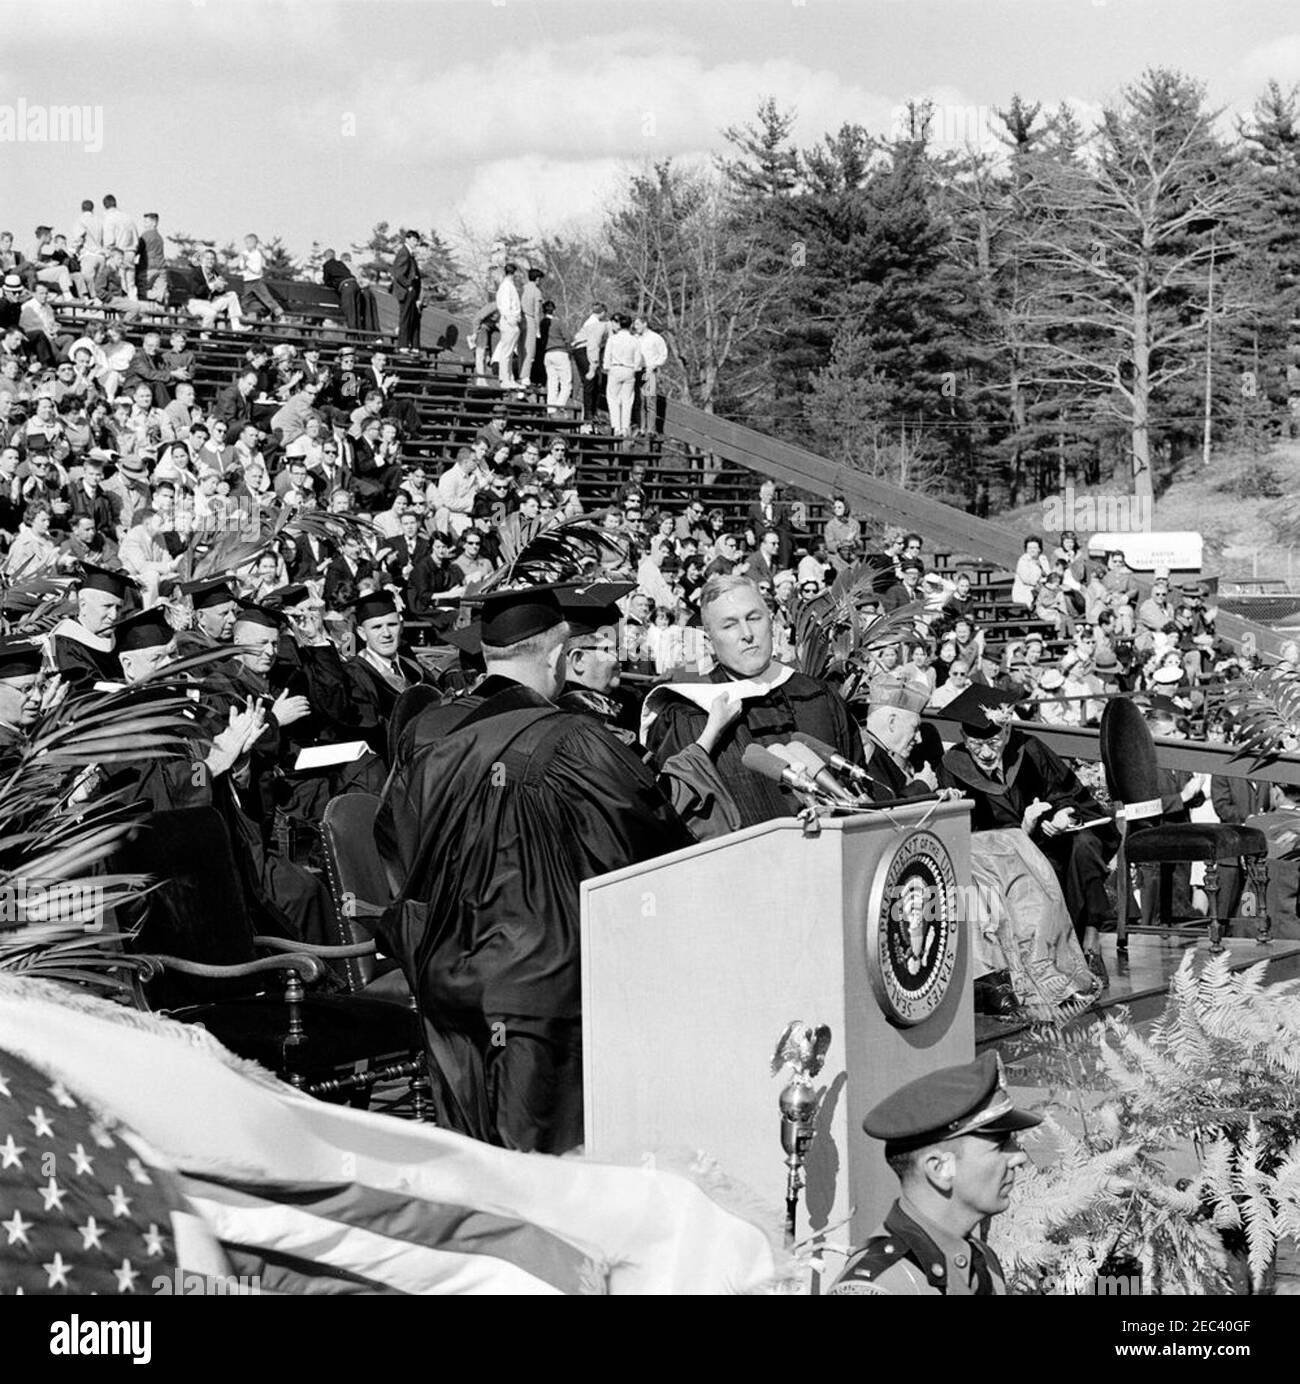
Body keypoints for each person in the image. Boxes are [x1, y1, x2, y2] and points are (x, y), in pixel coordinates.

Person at [375, 584, 692, 1152]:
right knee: (545, 1174)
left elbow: (394, 842)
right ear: (555, 658)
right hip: (540, 987)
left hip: (445, 977)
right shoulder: (573, 740)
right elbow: (647, 847)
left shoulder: (428, 732)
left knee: (472, 1162)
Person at [644, 574, 865, 828]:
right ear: (709, 641)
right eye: (729, 625)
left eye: (753, 618)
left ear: (770, 623)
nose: (747, 634)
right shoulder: (689, 714)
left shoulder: (817, 695)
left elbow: (857, 778)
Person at [940, 683, 1116, 989]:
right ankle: (1036, 962)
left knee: (1086, 845)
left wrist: (1062, 816)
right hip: (997, 860)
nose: (984, 752)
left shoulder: (1030, 749)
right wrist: (1022, 830)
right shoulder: (953, 766)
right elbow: (965, 835)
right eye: (975, 744)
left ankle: (1090, 939)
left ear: (1006, 733)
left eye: (993, 742)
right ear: (963, 738)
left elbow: (1070, 794)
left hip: (1048, 844)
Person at [829, 1053, 1038, 1295]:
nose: (1019, 1157)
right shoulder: (881, 1285)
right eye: (1000, 1145)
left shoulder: (981, 1261)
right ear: (939, 1168)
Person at [49, 563, 138, 687]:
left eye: (118, 608)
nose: (114, 615)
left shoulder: (118, 637)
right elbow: (81, 685)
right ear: (83, 606)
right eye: (107, 606)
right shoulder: (62, 643)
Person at [391, 229, 423, 353]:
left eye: (417, 240)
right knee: (405, 318)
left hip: (413, 291)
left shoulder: (410, 254)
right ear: (407, 239)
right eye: (414, 240)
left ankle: (414, 346)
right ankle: (403, 345)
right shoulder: (404, 253)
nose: (416, 243)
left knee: (413, 317)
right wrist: (408, 286)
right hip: (407, 291)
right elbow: (398, 273)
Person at [492, 262, 522, 387]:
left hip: (512, 320)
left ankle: (509, 378)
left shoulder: (509, 286)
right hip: (509, 321)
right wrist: (511, 319)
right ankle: (505, 379)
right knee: (506, 352)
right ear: (513, 273)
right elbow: (505, 306)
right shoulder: (505, 287)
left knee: (509, 353)